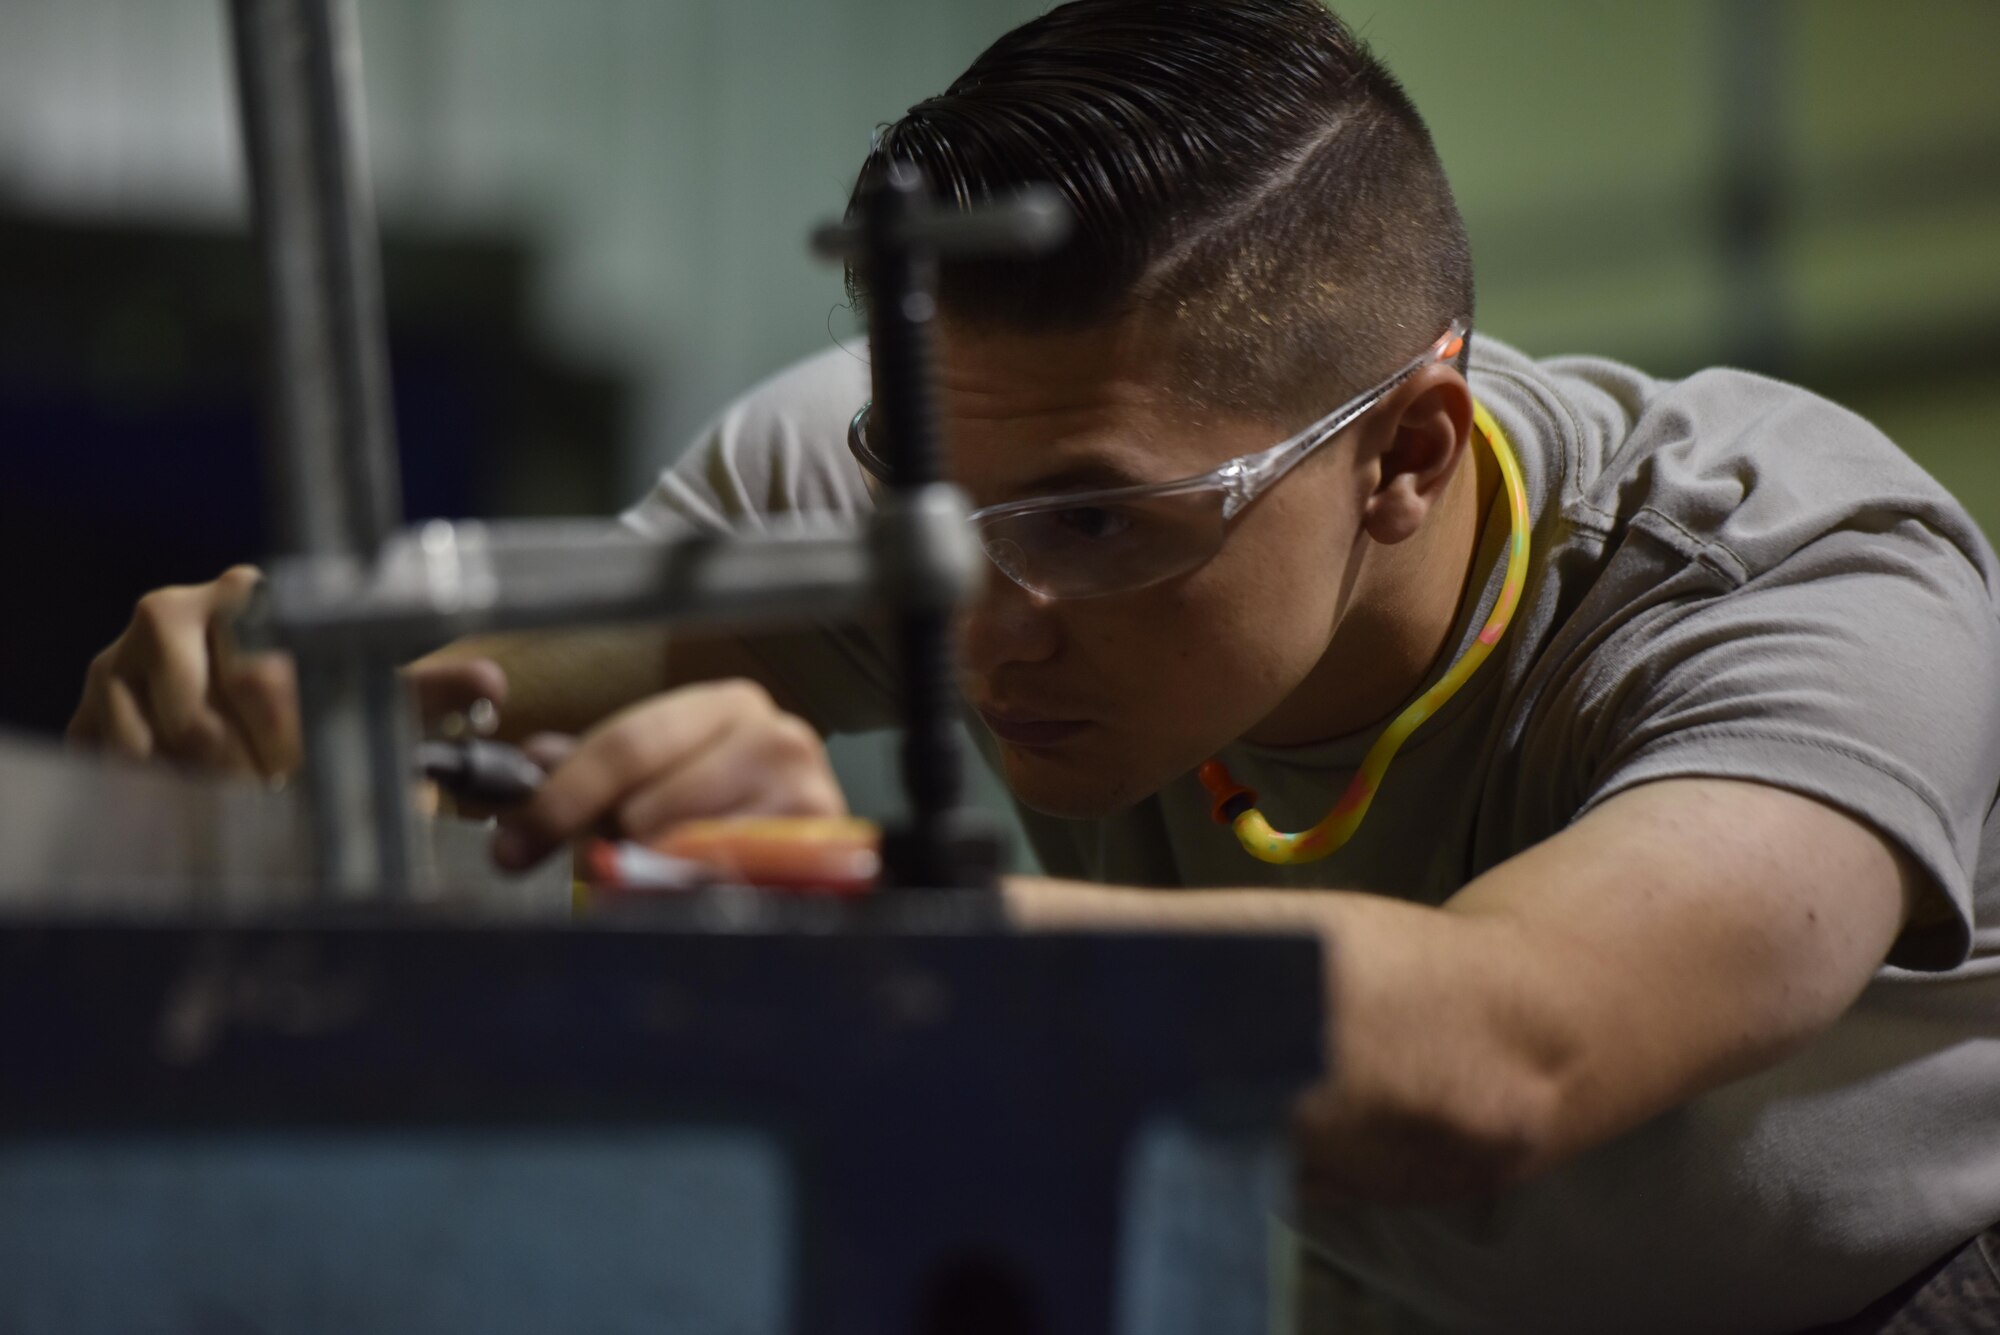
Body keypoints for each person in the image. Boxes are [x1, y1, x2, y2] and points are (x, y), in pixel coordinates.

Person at [67, 2, 2000, 1330]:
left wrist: (854, 921)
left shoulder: (1798, 581)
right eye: (927, 509)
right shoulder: (946, 477)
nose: (979, 628)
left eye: (1097, 527)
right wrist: (247, 693)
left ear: (1406, 457)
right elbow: (413, 687)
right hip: (1403, 1290)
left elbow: (1508, 1048)